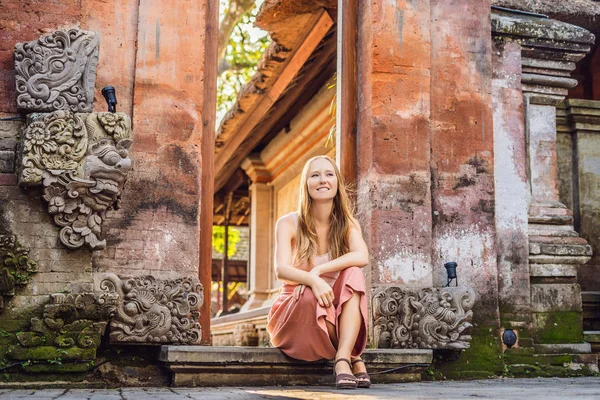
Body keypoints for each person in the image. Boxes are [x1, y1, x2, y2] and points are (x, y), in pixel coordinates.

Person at [267, 155, 370, 389]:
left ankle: (342, 359)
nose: (322, 180)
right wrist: (313, 281)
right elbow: (281, 270)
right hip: (296, 311)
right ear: (306, 184)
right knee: (308, 293)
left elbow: (362, 256)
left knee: (353, 272)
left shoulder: (348, 224)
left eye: (329, 174)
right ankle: (353, 356)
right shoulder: (288, 223)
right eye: (315, 175)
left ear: (337, 184)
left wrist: (320, 270)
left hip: (332, 312)